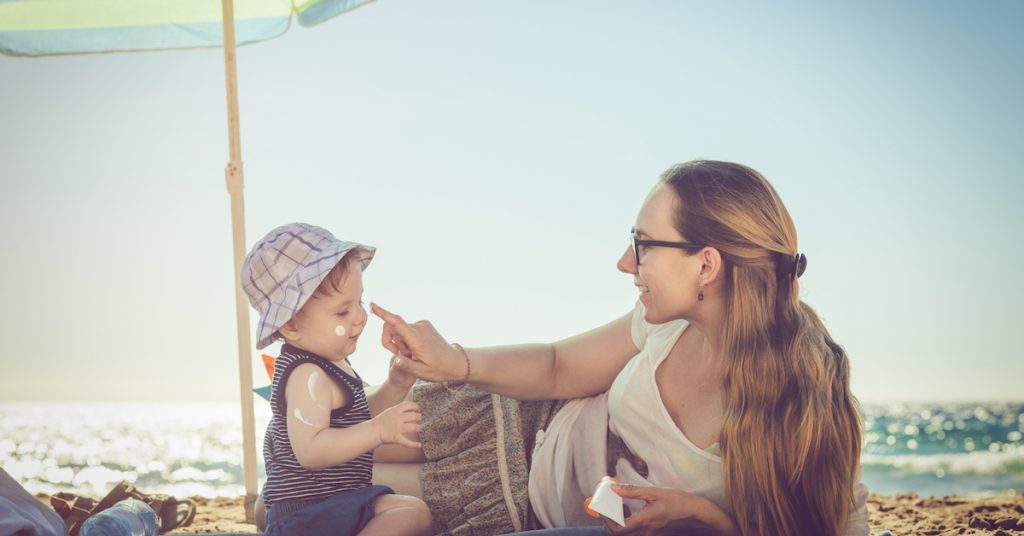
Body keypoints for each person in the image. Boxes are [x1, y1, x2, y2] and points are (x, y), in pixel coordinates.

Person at [370, 160, 870, 535]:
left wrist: (710, 516)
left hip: (509, 497)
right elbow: (557, 367)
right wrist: (456, 362)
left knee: (347, 489)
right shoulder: (667, 325)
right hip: (513, 419)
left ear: (706, 265)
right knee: (319, 454)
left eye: (644, 244)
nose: (625, 263)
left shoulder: (807, 400)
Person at [241, 222, 432, 536]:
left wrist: (396, 384)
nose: (359, 317)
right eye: (342, 311)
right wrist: (378, 430)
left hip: (332, 503)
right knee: (412, 513)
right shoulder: (307, 375)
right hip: (310, 512)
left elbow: (354, 420)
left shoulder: (331, 363)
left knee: (406, 510)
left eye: (358, 301)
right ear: (290, 326)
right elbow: (312, 450)